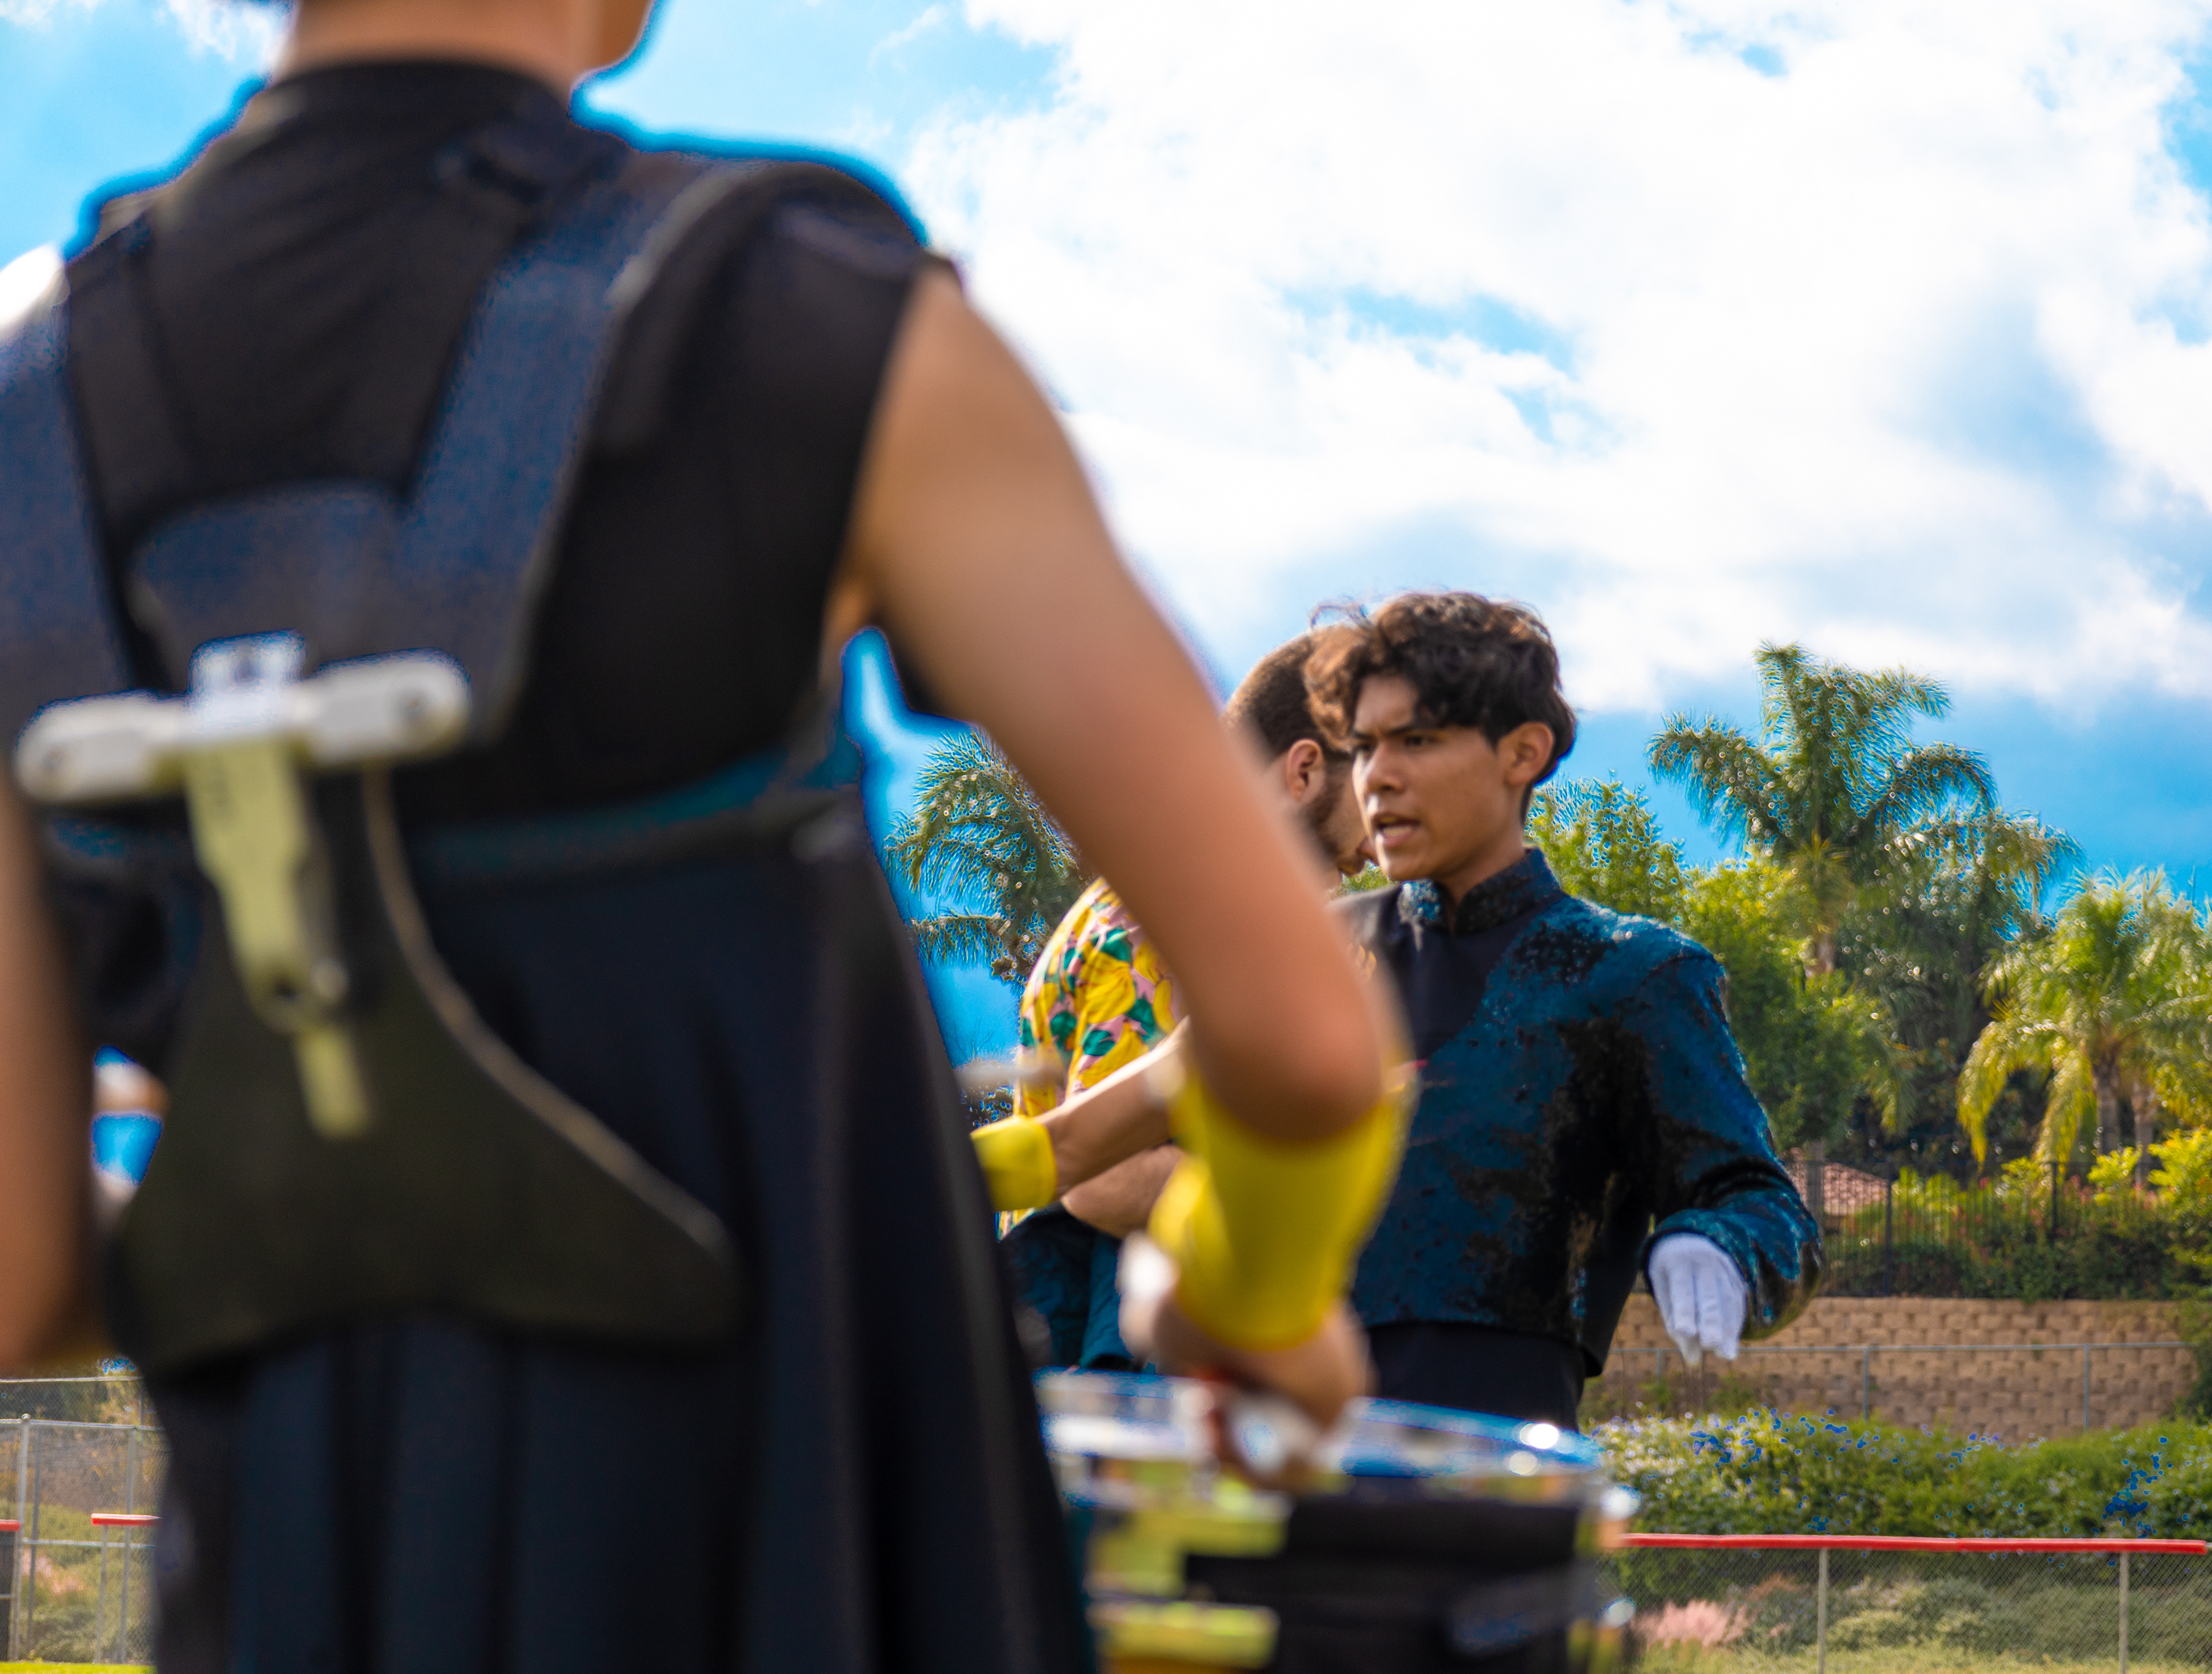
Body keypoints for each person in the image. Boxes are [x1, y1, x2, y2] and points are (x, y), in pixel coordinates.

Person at [0, 1, 1403, 1669]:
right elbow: (1301, 1035)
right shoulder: (824, 315)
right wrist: (1238, 1292)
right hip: (812, 1562)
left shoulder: (28, 408)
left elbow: (23, 1262)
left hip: (298, 1584)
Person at [1308, 592, 1823, 1429]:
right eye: (1364, 746)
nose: (1378, 776)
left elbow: (1763, 1203)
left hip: (1499, 1471)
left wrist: (1719, 1245)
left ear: (1523, 752)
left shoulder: (1633, 972)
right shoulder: (1312, 954)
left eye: (1417, 740)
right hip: (1283, 1458)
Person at [986, 632, 1372, 1371]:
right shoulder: (1172, 922)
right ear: (1304, 769)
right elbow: (1100, 1180)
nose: (1377, 843)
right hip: (1102, 1366)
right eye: (1374, 765)